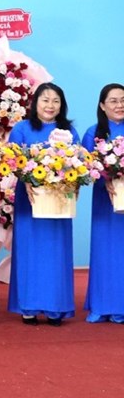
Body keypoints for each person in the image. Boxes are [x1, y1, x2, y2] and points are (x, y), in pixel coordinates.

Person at [8, 82, 78, 327]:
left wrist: (75, 183)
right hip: (31, 201)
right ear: (35, 103)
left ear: (62, 105)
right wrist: (26, 180)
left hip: (59, 201)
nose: (50, 105)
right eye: (45, 100)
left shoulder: (69, 132)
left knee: (56, 254)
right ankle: (28, 306)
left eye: (56, 100)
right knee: (29, 252)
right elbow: (13, 161)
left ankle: (55, 308)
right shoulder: (21, 129)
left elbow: (79, 165)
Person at [81, 83, 124, 323]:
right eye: (114, 101)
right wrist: (107, 177)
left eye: (123, 100)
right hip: (104, 203)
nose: (119, 105)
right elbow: (86, 168)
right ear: (102, 106)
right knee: (104, 253)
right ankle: (101, 305)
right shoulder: (94, 132)